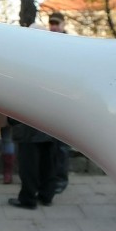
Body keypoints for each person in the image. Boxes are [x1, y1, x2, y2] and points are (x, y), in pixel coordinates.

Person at [47, 12, 72, 193]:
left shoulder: (69, 45)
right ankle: (51, 178)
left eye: (56, 24)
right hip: (53, 100)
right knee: (53, 147)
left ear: (63, 24)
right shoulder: (48, 42)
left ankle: (60, 180)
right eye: (51, 23)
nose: (53, 26)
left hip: (65, 101)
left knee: (62, 146)